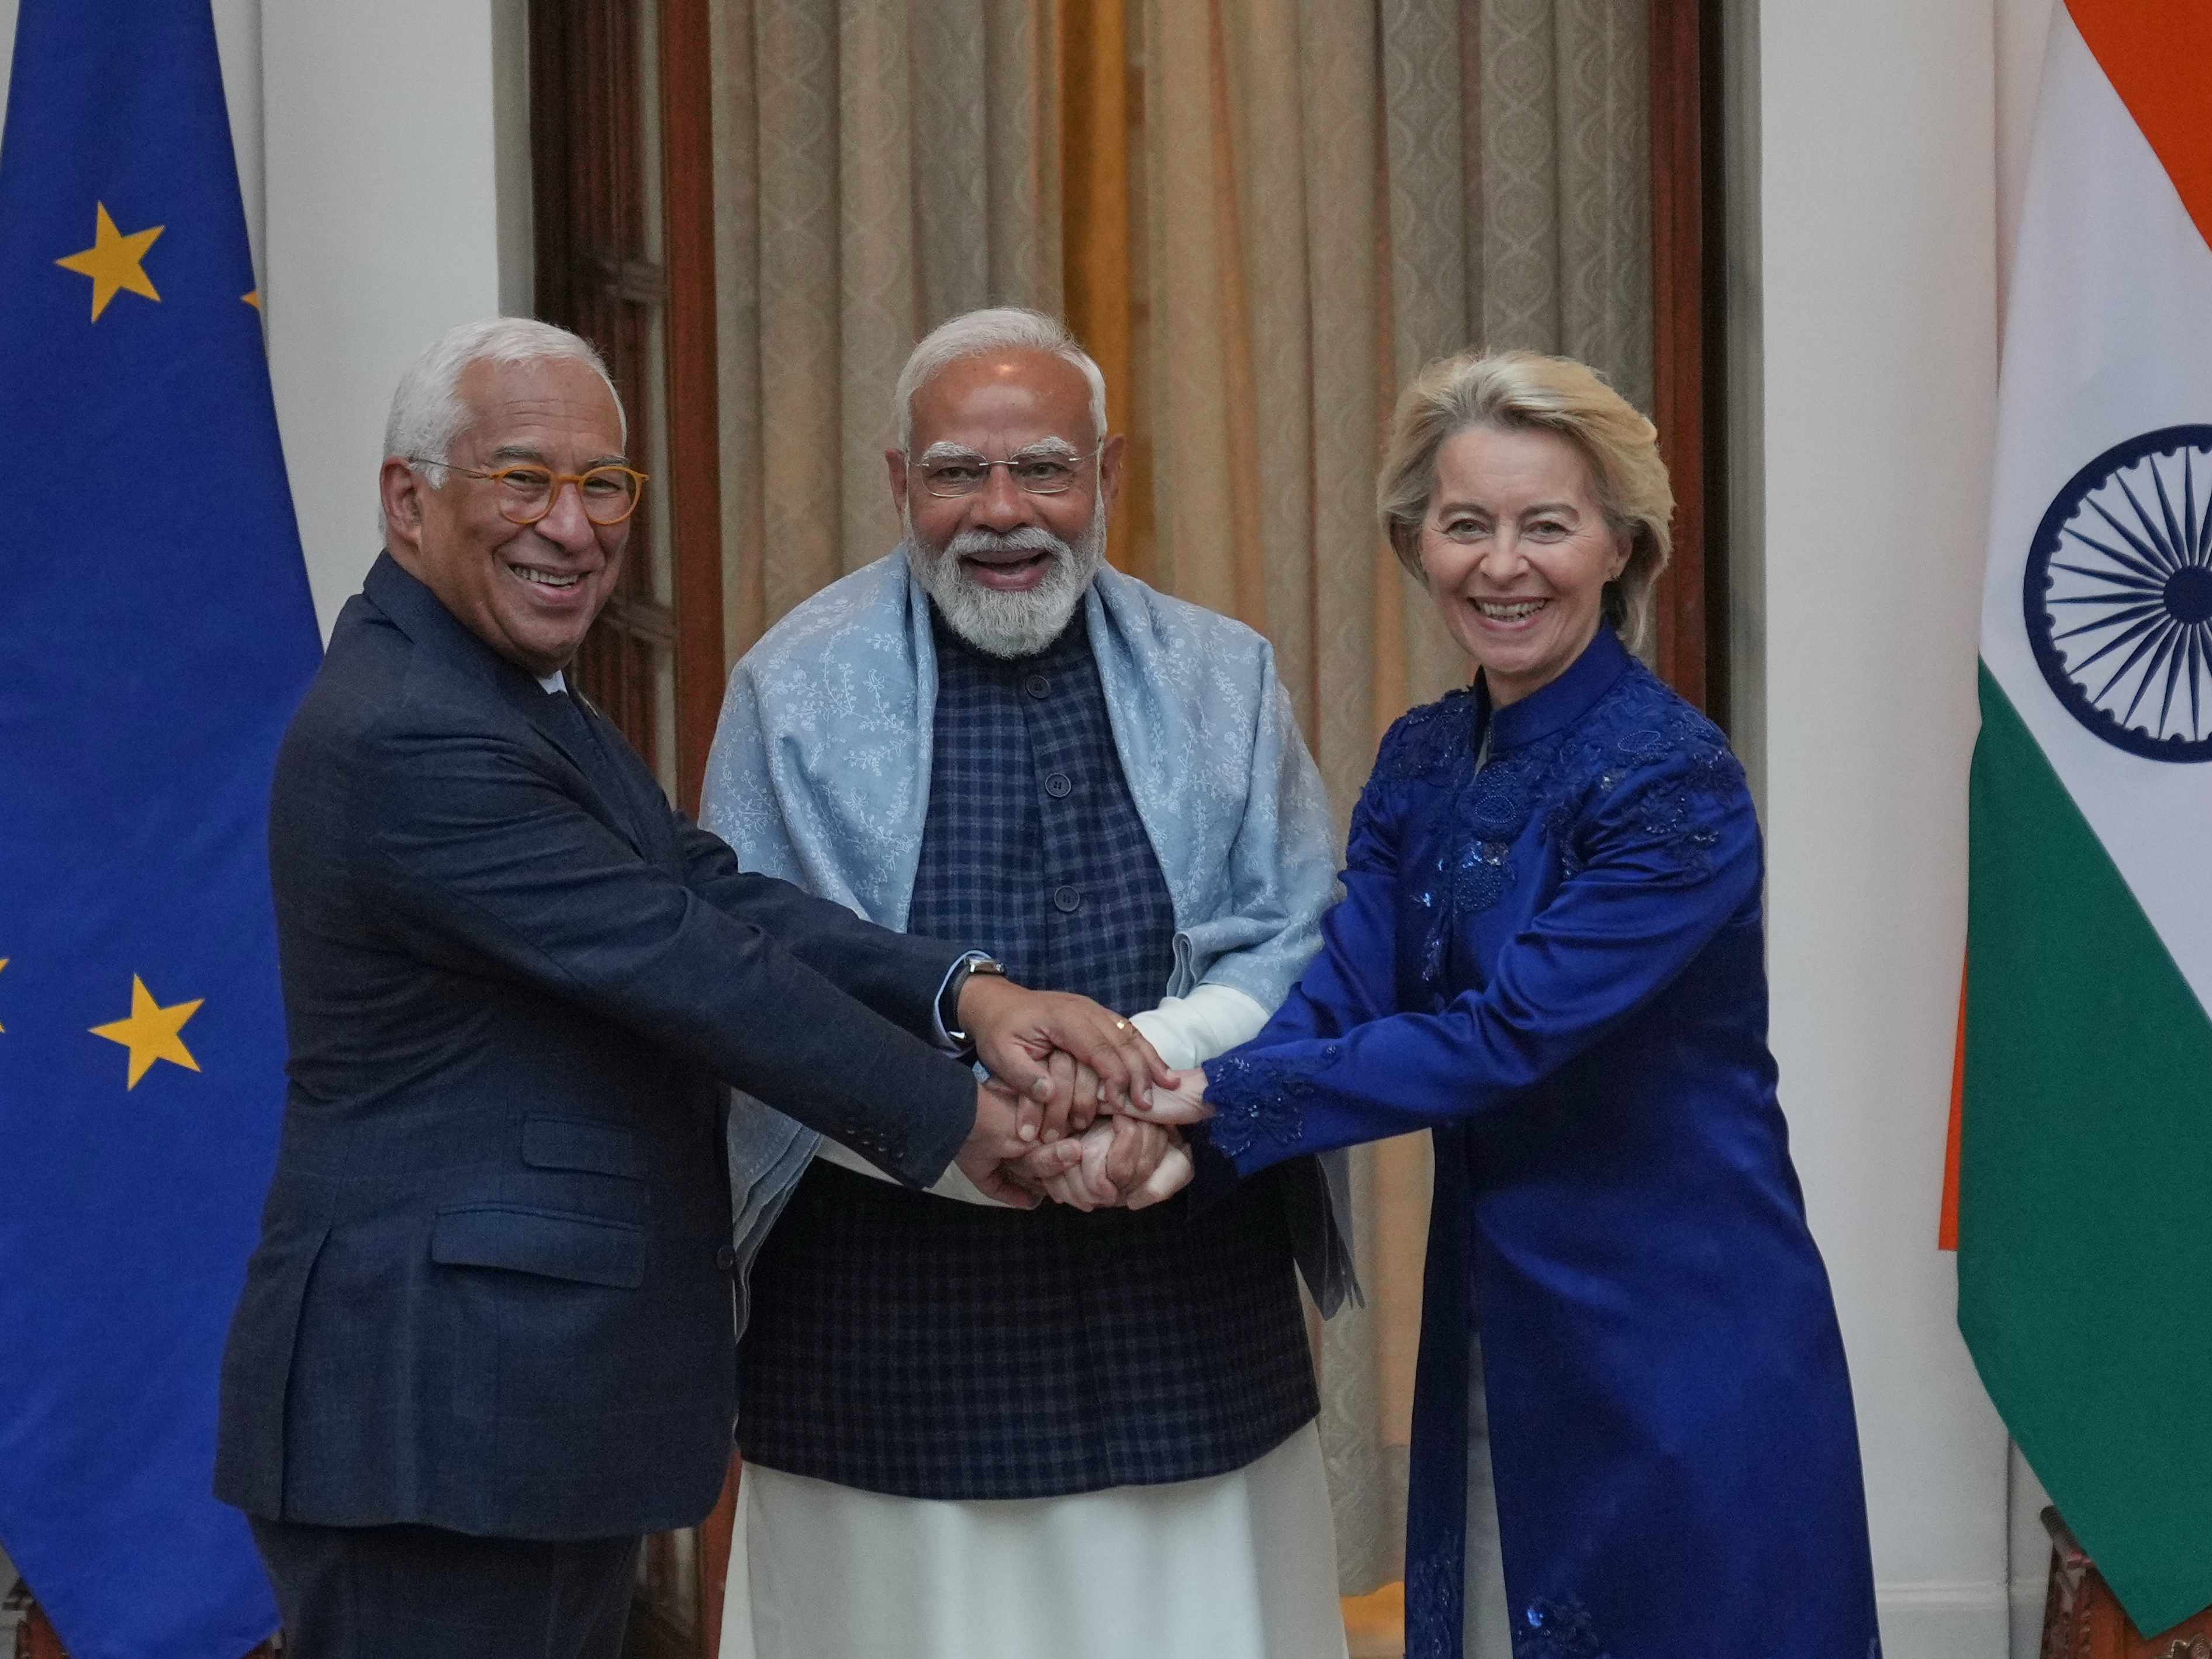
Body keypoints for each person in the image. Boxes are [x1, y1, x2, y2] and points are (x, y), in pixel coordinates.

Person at [212, 317, 1164, 1659]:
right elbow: (688, 966)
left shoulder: (498, 688)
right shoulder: (413, 729)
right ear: (407, 501)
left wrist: (969, 997)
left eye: (602, 484)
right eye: (523, 479)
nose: (570, 526)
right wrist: (963, 1121)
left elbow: (706, 891)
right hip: (437, 1410)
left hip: (513, 1409)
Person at [1134, 350, 1882, 1659]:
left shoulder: (1672, 781)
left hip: (1679, 1331)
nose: (1501, 565)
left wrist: (1212, 1101)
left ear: (1618, 546)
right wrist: (1170, 1110)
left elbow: (1508, 1034)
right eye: (1465, 524)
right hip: (1496, 1314)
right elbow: (1345, 985)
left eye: (1547, 525)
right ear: (1415, 542)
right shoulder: (1424, 754)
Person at [704, 307, 1354, 1659]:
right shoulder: (794, 691)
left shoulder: (1221, 673)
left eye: (1043, 469)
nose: (1001, 512)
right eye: (957, 473)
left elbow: (1304, 935)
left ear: (1106, 474)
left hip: (1183, 1304)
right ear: (899, 482)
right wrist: (973, 1132)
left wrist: (1149, 1085)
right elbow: (753, 984)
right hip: (888, 1334)